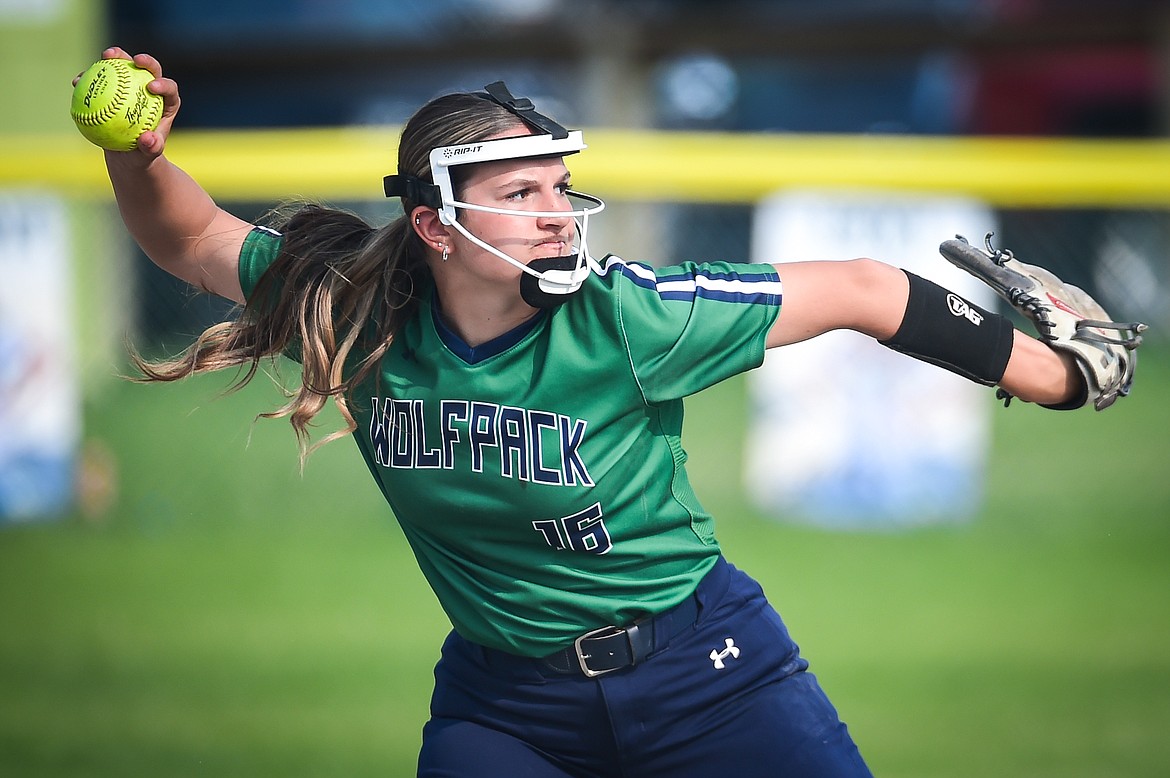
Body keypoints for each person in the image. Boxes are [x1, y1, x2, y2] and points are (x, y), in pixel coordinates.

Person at [83, 47, 1139, 777]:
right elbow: (193, 240)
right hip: (508, 707)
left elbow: (868, 286)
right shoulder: (356, 305)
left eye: (559, 187)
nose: (557, 215)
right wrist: (140, 156)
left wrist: (1055, 374)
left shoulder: (625, 314)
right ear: (435, 224)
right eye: (522, 194)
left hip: (708, 674)